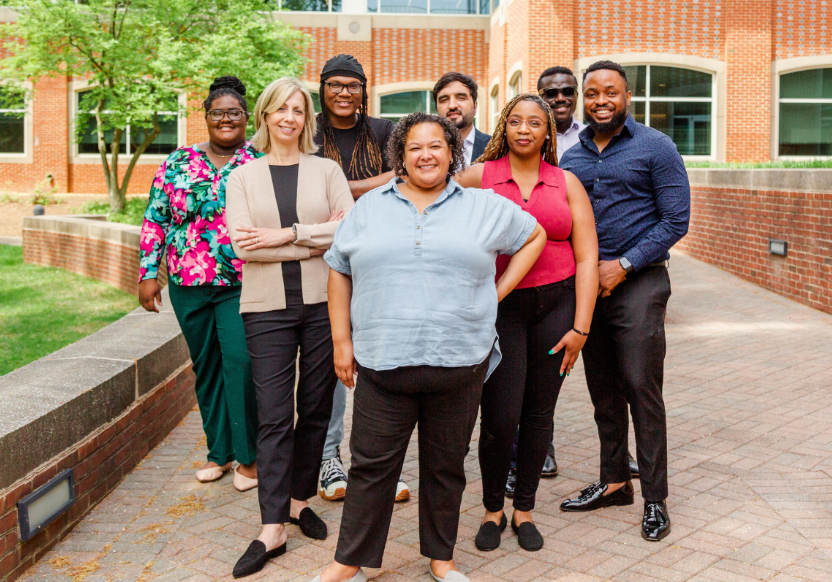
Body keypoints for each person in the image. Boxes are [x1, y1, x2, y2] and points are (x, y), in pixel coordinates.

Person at [310, 112, 546, 582]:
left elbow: (534, 235)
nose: (425, 155)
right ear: (399, 154)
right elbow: (338, 268)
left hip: (459, 362)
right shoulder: (369, 208)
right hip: (382, 362)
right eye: (414, 147)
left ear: (451, 152)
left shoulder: (481, 206)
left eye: (436, 146)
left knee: (445, 468)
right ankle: (349, 561)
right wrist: (341, 340)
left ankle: (441, 558)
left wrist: (495, 294)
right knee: (371, 468)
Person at [225, 77, 354, 578]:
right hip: (265, 308)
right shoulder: (243, 177)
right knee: (276, 415)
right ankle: (272, 526)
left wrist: (287, 235)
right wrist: (314, 241)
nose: (288, 118)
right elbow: (242, 246)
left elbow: (349, 229)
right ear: (265, 116)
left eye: (298, 110)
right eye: (280, 109)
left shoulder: (325, 170)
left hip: (325, 303)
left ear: (307, 119)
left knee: (317, 408)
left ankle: (300, 500)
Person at [456, 94, 597, 552]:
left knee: (539, 415)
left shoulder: (566, 182)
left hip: (556, 308)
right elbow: (433, 208)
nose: (524, 129)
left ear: (547, 132)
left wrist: (581, 327)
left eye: (534, 123)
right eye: (514, 121)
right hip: (501, 309)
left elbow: (588, 257)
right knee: (500, 416)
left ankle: (525, 511)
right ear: (503, 127)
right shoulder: (480, 176)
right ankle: (493, 510)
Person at [558, 60, 690, 543]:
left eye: (609, 92)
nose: (600, 101)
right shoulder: (570, 159)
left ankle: (655, 499)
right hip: (590, 286)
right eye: (591, 93)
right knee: (603, 389)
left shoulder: (657, 147)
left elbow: (676, 220)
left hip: (640, 281)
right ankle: (614, 481)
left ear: (626, 97)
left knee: (640, 387)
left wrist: (625, 264)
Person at [138, 75, 259, 491]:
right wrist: (147, 273)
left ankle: (249, 458)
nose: (226, 119)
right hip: (187, 283)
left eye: (234, 113)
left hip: (242, 280)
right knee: (206, 366)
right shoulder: (178, 161)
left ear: (246, 117)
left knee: (241, 363)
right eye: (218, 113)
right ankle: (218, 453)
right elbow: (156, 217)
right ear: (206, 116)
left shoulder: (258, 161)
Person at [313, 53, 410, 503]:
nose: (344, 93)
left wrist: (341, 188)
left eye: (353, 85)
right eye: (336, 85)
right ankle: (328, 456)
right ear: (323, 88)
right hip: (320, 255)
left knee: (380, 359)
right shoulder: (311, 130)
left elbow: (401, 173)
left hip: (378, 253)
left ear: (364, 90)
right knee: (335, 360)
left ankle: (379, 461)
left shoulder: (383, 131)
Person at [433, 71, 490, 167]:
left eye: (461, 98)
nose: (452, 105)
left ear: (475, 107)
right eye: (444, 100)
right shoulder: (424, 150)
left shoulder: (497, 148)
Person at [537, 66, 586, 162]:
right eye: (551, 93)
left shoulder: (591, 136)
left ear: (577, 95)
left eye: (568, 91)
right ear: (540, 99)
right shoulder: (531, 139)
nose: (560, 98)